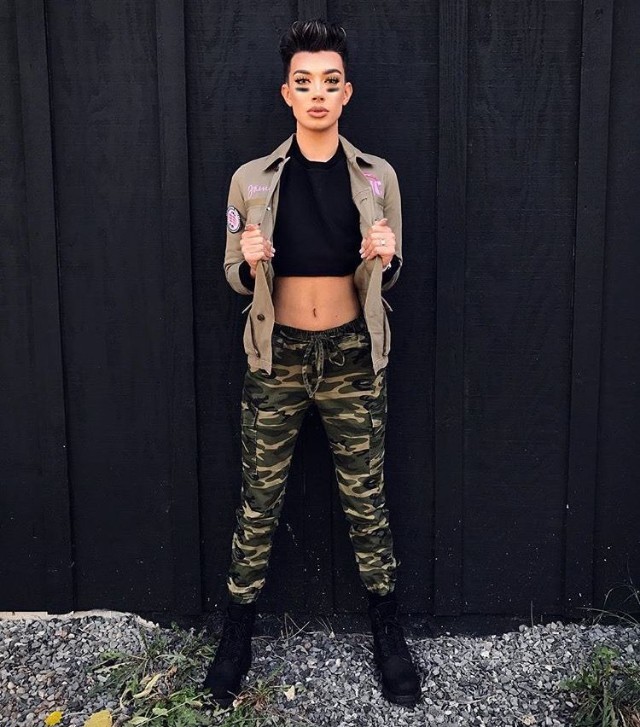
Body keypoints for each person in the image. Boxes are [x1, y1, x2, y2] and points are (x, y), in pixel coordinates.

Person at [203, 19, 421, 709]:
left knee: (367, 501)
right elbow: (233, 273)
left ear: (347, 91)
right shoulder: (252, 180)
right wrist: (250, 262)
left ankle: (387, 630)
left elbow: (391, 268)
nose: (317, 94)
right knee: (258, 501)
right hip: (278, 357)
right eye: (304, 83)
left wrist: (385, 255)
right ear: (287, 93)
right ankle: (236, 633)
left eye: (330, 82)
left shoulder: (376, 176)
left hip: (354, 355)